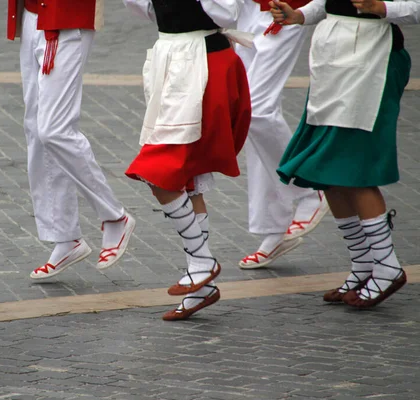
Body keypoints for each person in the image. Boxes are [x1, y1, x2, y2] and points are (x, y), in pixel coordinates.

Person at [271, 0, 419, 307]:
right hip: (334, 64)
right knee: (327, 170)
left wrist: (382, 7)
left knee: (355, 168)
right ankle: (364, 264)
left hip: (371, 64)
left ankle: (387, 265)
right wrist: (299, 15)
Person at [123, 0, 252, 320]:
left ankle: (201, 261)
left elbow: (227, 13)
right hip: (175, 61)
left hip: (203, 64)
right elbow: (148, 11)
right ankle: (201, 287)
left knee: (158, 170)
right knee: (187, 177)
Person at [7, 0, 136, 280]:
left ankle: (114, 216)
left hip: (64, 15)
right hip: (33, 13)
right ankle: (65, 237)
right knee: (37, 129)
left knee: (54, 129)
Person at [234, 0, 329, 270]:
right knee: (252, 119)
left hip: (285, 8)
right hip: (248, 8)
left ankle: (308, 187)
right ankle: (274, 230)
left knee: (256, 111)